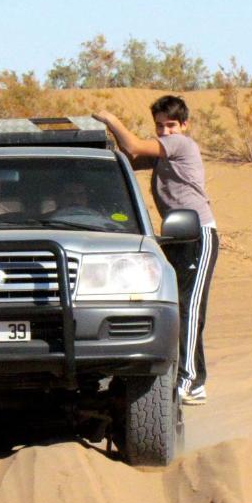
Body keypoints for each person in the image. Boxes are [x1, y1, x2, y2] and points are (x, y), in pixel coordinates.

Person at [94, 96, 219, 406]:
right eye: (160, 126)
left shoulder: (181, 145)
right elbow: (128, 159)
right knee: (176, 308)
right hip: (175, 236)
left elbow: (134, 147)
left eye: (171, 125)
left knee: (189, 309)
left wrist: (110, 118)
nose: (165, 131)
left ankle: (189, 381)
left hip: (198, 234)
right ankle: (192, 379)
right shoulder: (165, 153)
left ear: (185, 125)